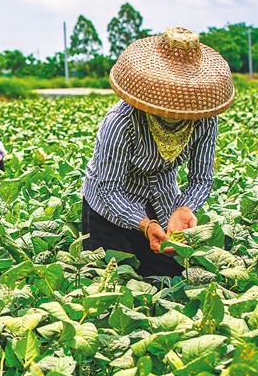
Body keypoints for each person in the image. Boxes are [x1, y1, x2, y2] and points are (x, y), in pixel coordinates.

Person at [81, 26, 234, 277]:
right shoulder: (121, 121)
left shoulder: (204, 118)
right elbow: (109, 189)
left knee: (168, 277)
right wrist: (144, 224)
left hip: (162, 200)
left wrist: (185, 208)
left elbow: (201, 178)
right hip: (108, 208)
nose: (179, 110)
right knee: (114, 279)